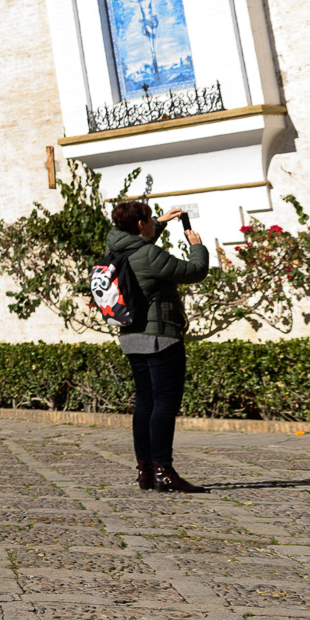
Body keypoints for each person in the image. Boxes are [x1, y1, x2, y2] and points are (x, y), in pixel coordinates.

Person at [106, 200, 210, 493]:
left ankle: (145, 471)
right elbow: (194, 271)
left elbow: (139, 247)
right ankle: (163, 471)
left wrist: (160, 222)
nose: (153, 222)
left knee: (145, 403)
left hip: (131, 337)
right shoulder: (149, 254)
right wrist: (197, 246)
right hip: (160, 337)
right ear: (141, 224)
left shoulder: (115, 251)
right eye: (150, 219)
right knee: (164, 403)